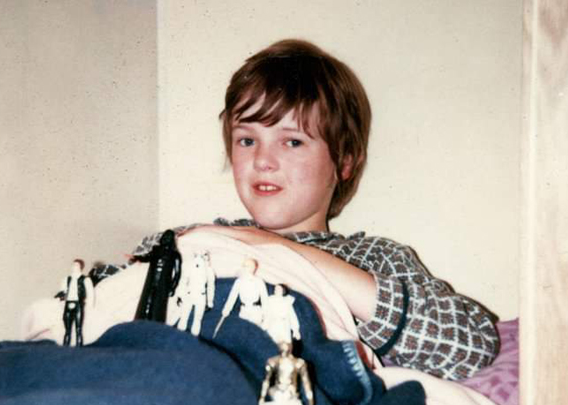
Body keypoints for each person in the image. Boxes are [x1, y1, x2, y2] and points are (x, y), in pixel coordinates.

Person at [94, 39, 499, 380]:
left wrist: (274, 250)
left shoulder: (374, 258)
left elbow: (470, 346)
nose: (262, 160)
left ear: (344, 162)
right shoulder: (192, 240)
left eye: (292, 142)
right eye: (247, 140)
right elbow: (93, 313)